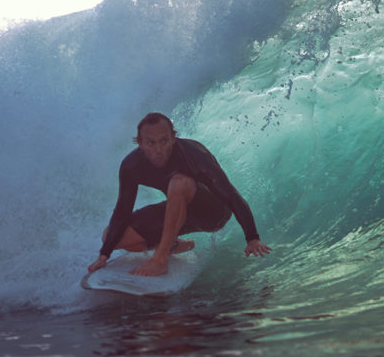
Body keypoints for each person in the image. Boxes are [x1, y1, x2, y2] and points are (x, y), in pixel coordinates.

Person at [88, 112, 271, 277]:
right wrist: (104, 254)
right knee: (110, 237)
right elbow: (122, 212)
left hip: (213, 213)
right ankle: (174, 244)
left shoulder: (194, 154)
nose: (159, 149)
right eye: (151, 143)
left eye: (164, 141)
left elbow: (230, 194)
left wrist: (252, 237)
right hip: (179, 212)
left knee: (178, 182)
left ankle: (160, 259)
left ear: (173, 138)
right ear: (140, 143)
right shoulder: (131, 166)